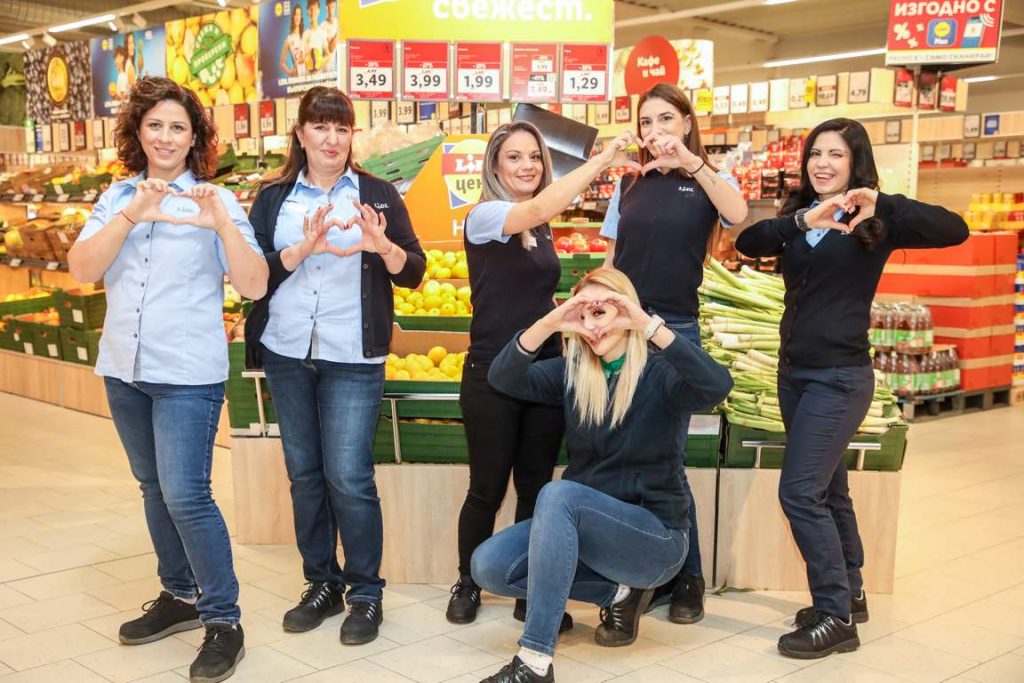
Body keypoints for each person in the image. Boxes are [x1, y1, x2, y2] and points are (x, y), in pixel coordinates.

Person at [734, 118, 968, 659]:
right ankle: (851, 592)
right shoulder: (800, 214)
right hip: (793, 374)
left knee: (799, 492)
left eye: (836, 154)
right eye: (816, 153)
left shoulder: (875, 221)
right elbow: (748, 241)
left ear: (855, 162)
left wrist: (881, 201)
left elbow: (954, 228)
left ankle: (835, 616)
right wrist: (801, 220)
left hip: (839, 378)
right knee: (829, 489)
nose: (823, 164)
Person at [68, 76, 268, 683]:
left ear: (194, 137)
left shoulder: (217, 201)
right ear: (138, 131)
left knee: (186, 494)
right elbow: (82, 268)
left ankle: (224, 621)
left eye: (178, 127)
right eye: (155, 124)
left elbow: (255, 284)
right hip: (124, 368)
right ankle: (179, 595)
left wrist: (222, 225)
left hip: (186, 373)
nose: (165, 136)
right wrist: (133, 212)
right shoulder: (116, 197)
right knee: (153, 488)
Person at [472, 268, 733, 682]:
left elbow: (717, 385)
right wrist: (552, 321)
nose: (592, 326)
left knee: (558, 495)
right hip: (591, 536)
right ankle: (619, 593)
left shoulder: (660, 374)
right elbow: (502, 377)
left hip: (656, 540)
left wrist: (647, 324)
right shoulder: (574, 374)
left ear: (626, 311)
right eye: (583, 315)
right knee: (488, 566)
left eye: (601, 312)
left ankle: (534, 661)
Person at [244, 86, 426, 646]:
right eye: (320, 127)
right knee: (304, 473)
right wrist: (300, 251)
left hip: (354, 353)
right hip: (288, 350)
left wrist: (381, 246)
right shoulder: (273, 197)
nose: (331, 139)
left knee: (349, 475)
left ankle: (365, 593)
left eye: (342, 128)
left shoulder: (378, 195)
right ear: (300, 134)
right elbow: (251, 275)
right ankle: (321, 583)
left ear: (352, 136)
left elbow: (414, 271)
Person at [445, 122, 638, 627]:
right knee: (486, 488)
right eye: (514, 157)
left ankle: (528, 587)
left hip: (546, 369)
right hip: (493, 368)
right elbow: (535, 210)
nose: (527, 165)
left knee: (536, 487)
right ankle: (467, 582)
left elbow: (532, 292)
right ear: (494, 165)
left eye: (534, 156)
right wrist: (601, 161)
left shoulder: (544, 228)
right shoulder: (485, 216)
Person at [599, 82, 748, 623]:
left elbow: (736, 213)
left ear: (686, 122)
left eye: (666, 118)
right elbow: (612, 259)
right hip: (623, 331)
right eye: (646, 121)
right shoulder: (629, 184)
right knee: (622, 455)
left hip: (674, 332)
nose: (655, 130)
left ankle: (689, 577)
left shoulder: (707, 179)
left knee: (668, 460)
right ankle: (644, 575)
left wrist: (691, 161)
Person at [280, 4, 306, 78]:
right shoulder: (289, 39)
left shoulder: (305, 35)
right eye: (295, 15)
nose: (297, 17)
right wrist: (290, 72)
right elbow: (282, 62)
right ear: (293, 17)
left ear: (301, 18)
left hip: (309, 76)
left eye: (299, 15)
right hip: (298, 79)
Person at [302, 0, 328, 74]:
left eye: (315, 8)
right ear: (308, 12)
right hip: (308, 77)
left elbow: (328, 55)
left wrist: (319, 63)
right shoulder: (305, 34)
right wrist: (308, 63)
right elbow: (302, 57)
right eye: (311, 9)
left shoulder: (322, 32)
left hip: (320, 76)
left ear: (319, 11)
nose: (313, 11)